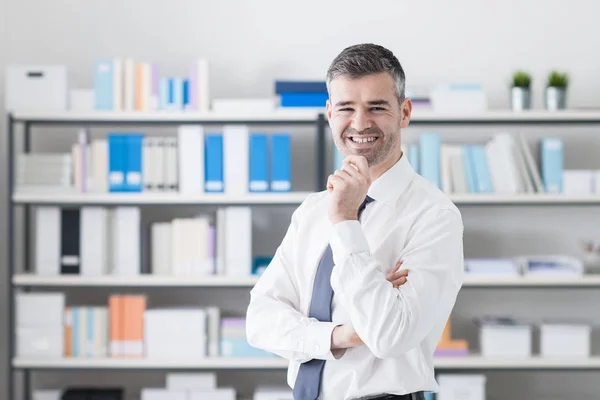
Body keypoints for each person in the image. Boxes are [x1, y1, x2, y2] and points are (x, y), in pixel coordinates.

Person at [246, 43, 464, 400]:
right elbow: (259, 321)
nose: (360, 123)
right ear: (330, 113)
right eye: (346, 108)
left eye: (376, 108)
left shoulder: (434, 216)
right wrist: (340, 335)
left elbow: (389, 336)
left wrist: (346, 221)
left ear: (404, 112)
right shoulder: (312, 210)